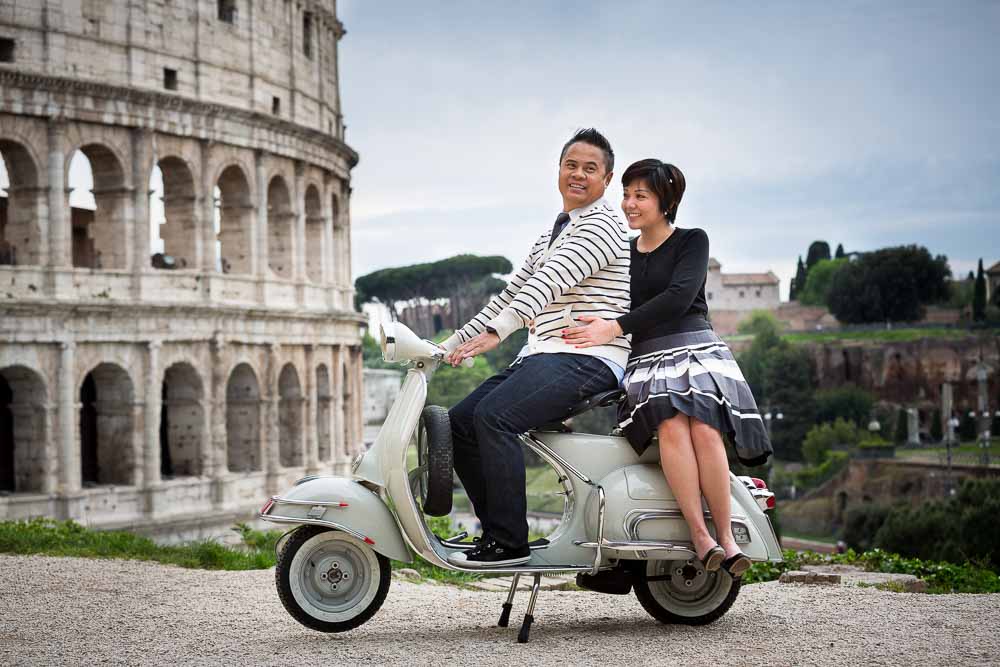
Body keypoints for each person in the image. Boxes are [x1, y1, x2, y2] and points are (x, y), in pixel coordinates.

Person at [562, 158, 772, 577]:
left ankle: (728, 541)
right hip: (647, 354)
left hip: (695, 348)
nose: (628, 204)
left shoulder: (692, 241)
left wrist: (615, 327)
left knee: (704, 426)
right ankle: (700, 536)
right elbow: (598, 298)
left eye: (640, 195)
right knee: (673, 425)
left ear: (666, 202)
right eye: (626, 194)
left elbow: (679, 298)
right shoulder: (621, 254)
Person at [440, 128, 631, 568]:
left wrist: (499, 332)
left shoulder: (602, 226)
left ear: (607, 179)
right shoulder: (553, 233)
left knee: (495, 417)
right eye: (571, 165)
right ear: (558, 170)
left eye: (590, 169)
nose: (578, 175)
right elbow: (511, 294)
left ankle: (510, 542)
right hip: (545, 355)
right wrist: (448, 344)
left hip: (590, 358)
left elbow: (548, 284)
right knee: (460, 421)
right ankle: (496, 535)